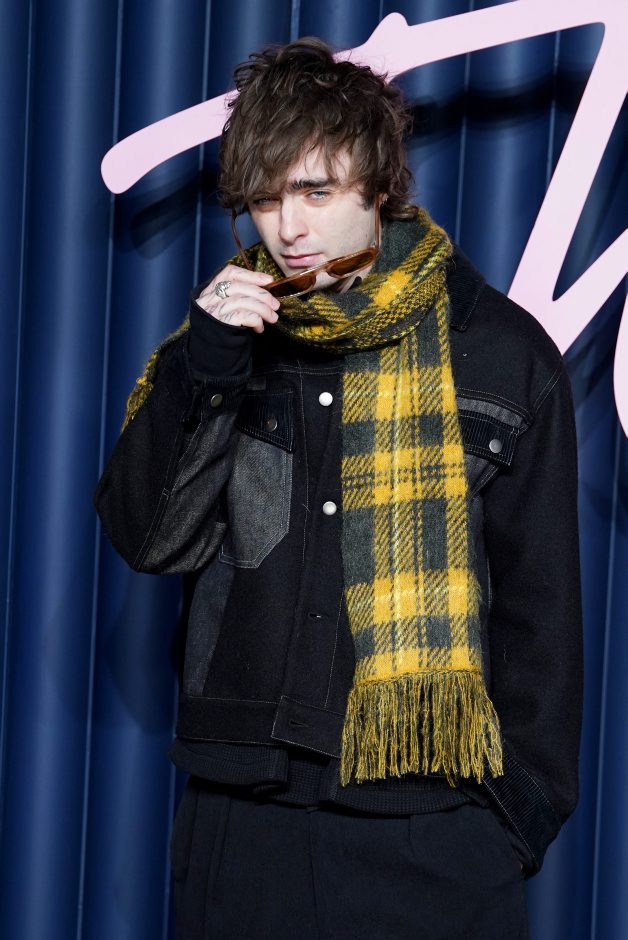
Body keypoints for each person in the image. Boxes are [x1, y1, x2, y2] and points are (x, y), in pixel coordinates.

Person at [95, 37, 583, 940]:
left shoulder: (500, 352)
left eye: (316, 192)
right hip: (246, 820)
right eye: (265, 198)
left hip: (433, 829)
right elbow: (150, 539)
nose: (288, 227)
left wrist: (511, 820)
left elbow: (541, 614)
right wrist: (207, 375)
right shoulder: (222, 338)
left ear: (379, 186)